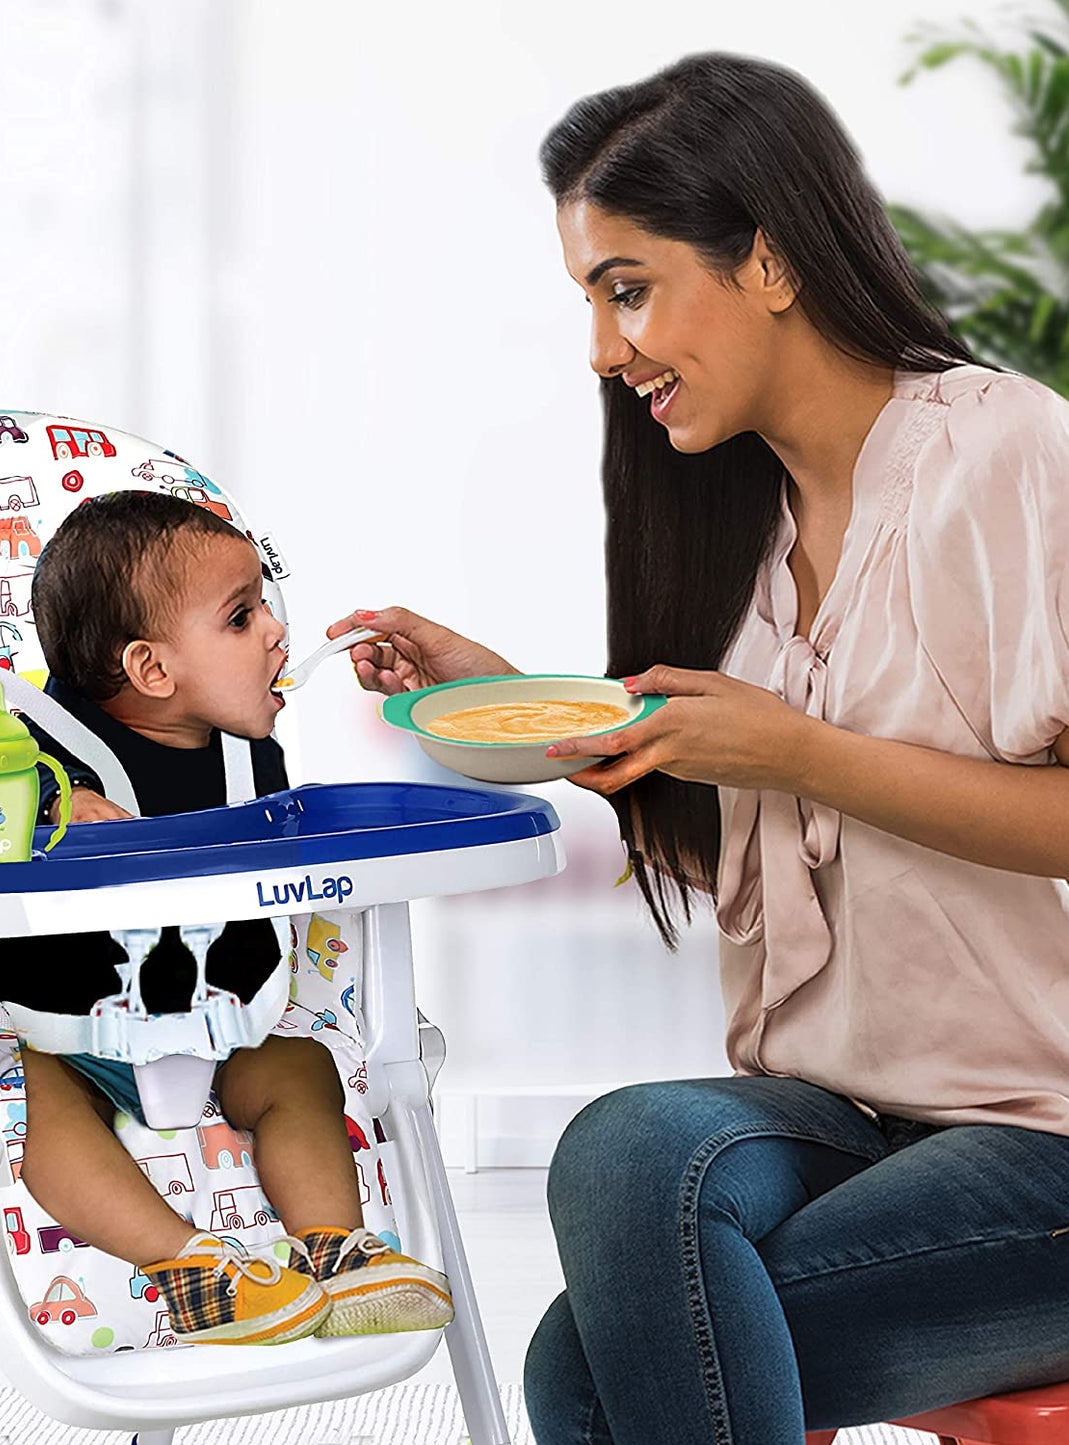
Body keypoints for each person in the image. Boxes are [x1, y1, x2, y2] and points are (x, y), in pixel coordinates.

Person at [329, 50, 1069, 1444]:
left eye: (627, 286)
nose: (603, 351)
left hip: (1044, 1138)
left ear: (769, 262)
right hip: (838, 1119)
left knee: (588, 1369)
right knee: (624, 1149)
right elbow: (757, 835)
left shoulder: (1000, 452)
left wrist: (800, 752)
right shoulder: (736, 525)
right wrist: (535, 712)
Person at [0, 490, 453, 1346]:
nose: (276, 630)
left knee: (297, 1069)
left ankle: (337, 1252)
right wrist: (56, 804)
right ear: (152, 670)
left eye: (264, 602)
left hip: (218, 1018)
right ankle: (191, 1267)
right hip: (71, 1034)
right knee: (43, 1109)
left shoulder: (250, 755)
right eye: (241, 617)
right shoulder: (39, 749)